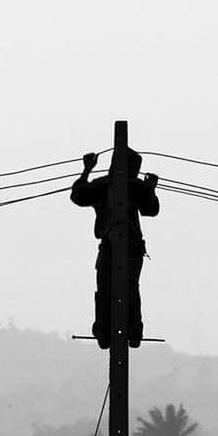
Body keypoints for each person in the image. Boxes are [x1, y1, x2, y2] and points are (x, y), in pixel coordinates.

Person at [71, 148, 159, 349]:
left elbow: (78, 195)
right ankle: (130, 330)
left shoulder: (104, 185)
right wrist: (151, 188)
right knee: (128, 288)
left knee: (107, 289)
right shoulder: (133, 186)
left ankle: (106, 329)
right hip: (129, 247)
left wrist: (86, 170)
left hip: (116, 246)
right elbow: (151, 209)